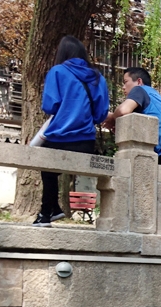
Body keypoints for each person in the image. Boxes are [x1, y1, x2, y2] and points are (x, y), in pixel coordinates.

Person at [33, 36, 109, 227]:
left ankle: (45, 213)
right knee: (51, 170)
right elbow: (100, 114)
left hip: (59, 137)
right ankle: (55, 210)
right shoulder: (98, 78)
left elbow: (50, 105)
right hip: (85, 141)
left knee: (48, 171)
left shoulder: (57, 72)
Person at [104, 67, 161, 169]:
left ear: (139, 81)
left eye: (125, 82)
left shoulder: (139, 90)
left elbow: (123, 110)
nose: (123, 87)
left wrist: (112, 117)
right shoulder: (154, 97)